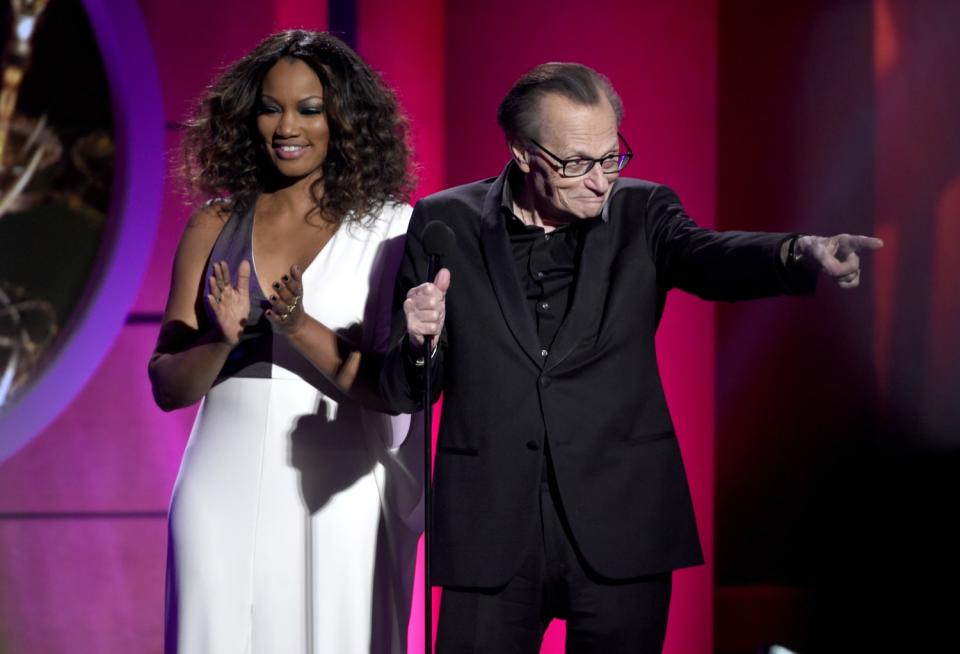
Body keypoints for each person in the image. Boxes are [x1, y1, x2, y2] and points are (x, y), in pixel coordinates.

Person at [380, 62, 883, 653]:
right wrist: (417, 343)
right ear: (521, 152)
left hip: (621, 517)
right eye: (576, 163)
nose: (600, 180)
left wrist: (800, 253)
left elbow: (706, 255)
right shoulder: (445, 221)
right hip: (490, 524)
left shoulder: (643, 213)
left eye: (611, 156)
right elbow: (403, 391)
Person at [149, 31, 422, 654]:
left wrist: (297, 324)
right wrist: (220, 339)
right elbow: (167, 386)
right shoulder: (215, 222)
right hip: (220, 478)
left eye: (309, 108)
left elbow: (391, 391)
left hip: (338, 480)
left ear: (345, 119)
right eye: (270, 107)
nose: (285, 126)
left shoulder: (390, 229)